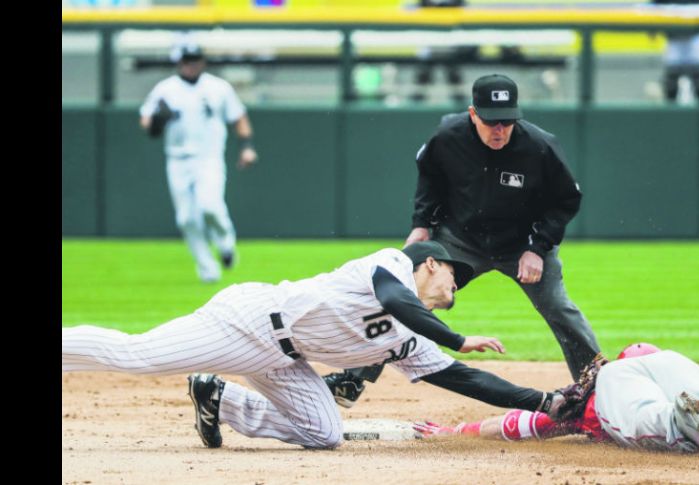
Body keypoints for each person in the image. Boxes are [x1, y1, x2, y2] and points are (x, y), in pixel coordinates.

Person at [62, 241, 571, 450]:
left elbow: (462, 377)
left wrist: (544, 401)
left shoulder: (412, 335)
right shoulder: (392, 264)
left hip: (284, 358)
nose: (455, 290)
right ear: (431, 264)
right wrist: (459, 337)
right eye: (454, 279)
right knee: (138, 355)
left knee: (325, 433)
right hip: (249, 322)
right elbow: (397, 300)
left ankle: (220, 397)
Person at [324, 73, 600, 407]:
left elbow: (566, 201)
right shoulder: (448, 136)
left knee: (560, 308)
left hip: (523, 244)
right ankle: (353, 379)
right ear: (473, 114)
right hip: (461, 240)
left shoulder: (539, 147)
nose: (499, 130)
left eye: (507, 122)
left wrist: (538, 248)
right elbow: (429, 176)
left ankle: (595, 393)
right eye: (491, 122)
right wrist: (422, 224)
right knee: (406, 297)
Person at [413, 343, 699, 453]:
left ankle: (681, 421)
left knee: (647, 416)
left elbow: (518, 425)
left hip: (625, 385)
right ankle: (690, 415)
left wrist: (457, 430)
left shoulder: (598, 397)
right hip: (673, 368)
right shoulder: (663, 368)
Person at [139, 36, 258, 283]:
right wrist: (157, 120)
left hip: (208, 157)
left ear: (202, 62)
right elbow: (146, 121)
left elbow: (239, 117)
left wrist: (246, 147)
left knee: (210, 205)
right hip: (177, 159)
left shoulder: (218, 87)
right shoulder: (165, 89)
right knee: (186, 218)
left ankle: (225, 243)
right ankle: (207, 269)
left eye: (194, 60)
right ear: (178, 62)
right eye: (186, 60)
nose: (190, 65)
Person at [652, 0, 699, 103]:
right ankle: (671, 116)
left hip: (694, 43)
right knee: (671, 85)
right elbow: (652, 8)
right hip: (674, 44)